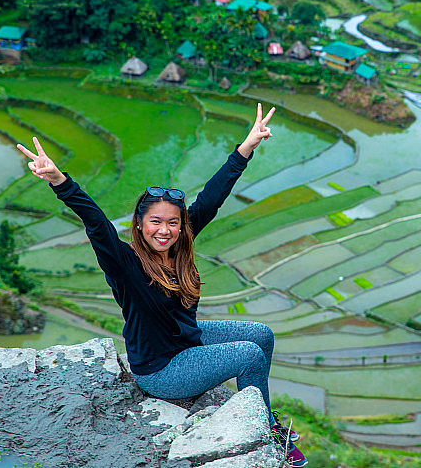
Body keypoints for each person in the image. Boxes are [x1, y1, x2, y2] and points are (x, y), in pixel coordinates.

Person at [17, 103, 307, 466]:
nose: (165, 231)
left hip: (187, 340)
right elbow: (97, 223)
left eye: (173, 223)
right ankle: (265, 429)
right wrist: (61, 181)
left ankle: (264, 413)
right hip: (161, 369)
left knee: (261, 334)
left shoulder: (179, 245)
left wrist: (245, 148)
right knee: (248, 353)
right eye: (155, 222)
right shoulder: (125, 264)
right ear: (139, 224)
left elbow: (212, 198)